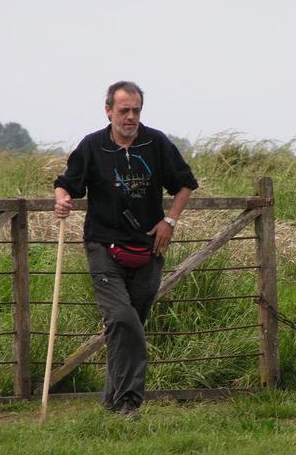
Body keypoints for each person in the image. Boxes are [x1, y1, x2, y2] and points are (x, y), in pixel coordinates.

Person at [53, 81, 198, 419]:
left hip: (150, 247)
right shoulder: (92, 146)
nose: (130, 117)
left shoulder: (156, 142)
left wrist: (170, 221)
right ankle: (130, 402)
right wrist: (62, 201)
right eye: (124, 111)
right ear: (108, 111)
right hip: (103, 245)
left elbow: (185, 183)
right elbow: (66, 183)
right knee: (122, 319)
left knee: (130, 325)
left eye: (136, 110)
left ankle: (110, 399)